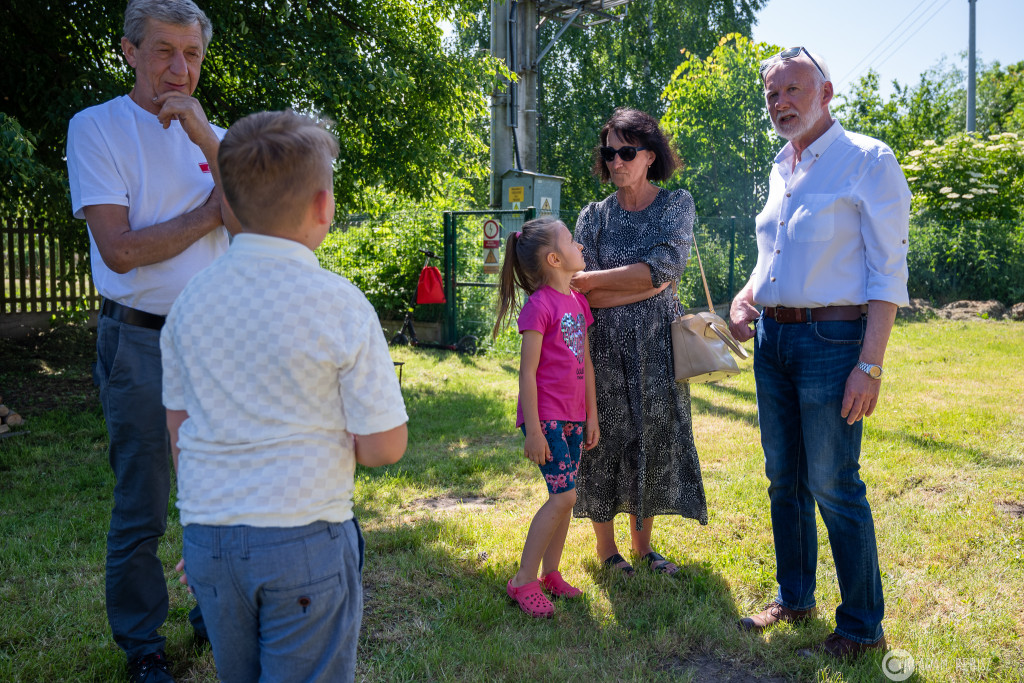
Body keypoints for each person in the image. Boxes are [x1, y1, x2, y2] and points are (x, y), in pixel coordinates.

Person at [161, 109, 409, 681]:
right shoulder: (340, 304)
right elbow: (385, 446)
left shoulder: (189, 305)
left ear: (226, 203)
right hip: (306, 541)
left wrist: (204, 518)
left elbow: (179, 428)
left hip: (210, 546)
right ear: (323, 208)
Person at [65, 1, 231, 679]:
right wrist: (211, 210)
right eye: (164, 51)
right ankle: (143, 646)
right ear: (130, 52)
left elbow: (256, 220)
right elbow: (123, 248)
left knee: (218, 489)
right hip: (137, 341)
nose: (179, 68)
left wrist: (206, 142)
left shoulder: (212, 133)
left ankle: (214, 614)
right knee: (142, 500)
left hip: (214, 341)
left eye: (191, 54)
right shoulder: (97, 127)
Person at [728, 47, 910, 659]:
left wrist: (871, 363)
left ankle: (862, 626)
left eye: (793, 90)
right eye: (772, 94)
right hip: (774, 339)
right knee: (784, 479)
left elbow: (888, 272)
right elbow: (770, 257)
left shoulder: (867, 159)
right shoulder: (781, 167)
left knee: (834, 482)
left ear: (826, 92)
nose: (780, 103)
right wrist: (746, 296)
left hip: (835, 343)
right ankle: (795, 595)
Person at [570, 108, 707, 578]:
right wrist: (640, 284)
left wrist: (599, 281)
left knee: (650, 438)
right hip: (600, 346)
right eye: (609, 152)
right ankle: (607, 552)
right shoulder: (593, 216)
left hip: (655, 345)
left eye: (627, 152)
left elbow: (663, 268)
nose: (616, 161)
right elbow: (574, 286)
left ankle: (644, 549)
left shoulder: (676, 205)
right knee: (603, 441)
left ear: (650, 156)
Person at [494, 216, 600, 617]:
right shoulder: (539, 306)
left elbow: (586, 363)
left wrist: (592, 415)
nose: (581, 247)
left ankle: (551, 574)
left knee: (566, 499)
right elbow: (527, 372)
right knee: (564, 495)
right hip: (548, 419)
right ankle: (524, 579)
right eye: (573, 242)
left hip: (573, 418)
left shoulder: (577, 301)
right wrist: (533, 431)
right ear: (555, 259)